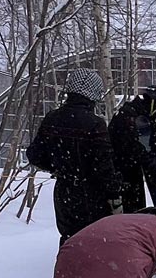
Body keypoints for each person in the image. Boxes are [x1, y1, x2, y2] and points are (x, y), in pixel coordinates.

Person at [27, 67, 124, 243]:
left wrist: (58, 168)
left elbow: (34, 155)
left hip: (63, 192)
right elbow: (104, 167)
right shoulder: (95, 124)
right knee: (94, 241)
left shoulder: (52, 118)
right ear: (94, 94)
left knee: (68, 238)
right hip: (92, 194)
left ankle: (67, 260)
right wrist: (114, 193)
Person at [110, 84, 156, 212]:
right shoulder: (129, 117)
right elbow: (132, 147)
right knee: (130, 214)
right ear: (154, 103)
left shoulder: (143, 118)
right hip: (123, 176)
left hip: (133, 175)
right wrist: (151, 160)